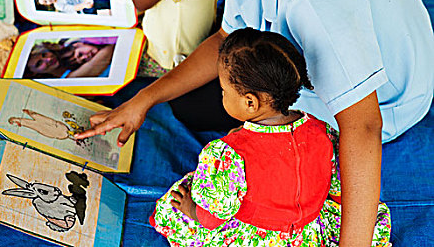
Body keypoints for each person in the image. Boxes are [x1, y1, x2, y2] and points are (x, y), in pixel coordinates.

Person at [78, 0, 434, 245]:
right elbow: (224, 38)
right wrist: (144, 100)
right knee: (192, 101)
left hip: (389, 98)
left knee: (212, 108)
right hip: (366, 36)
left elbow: (364, 124)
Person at [151, 28, 392, 246]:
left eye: (224, 90)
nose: (221, 95)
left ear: (250, 102)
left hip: (258, 237)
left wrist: (191, 210)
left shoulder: (225, 155)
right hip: (310, 232)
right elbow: (339, 186)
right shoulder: (323, 130)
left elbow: (212, 217)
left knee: (172, 208)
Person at [24, 37, 116, 79]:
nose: (48, 59)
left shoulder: (68, 50)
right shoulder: (67, 79)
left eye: (44, 54)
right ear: (34, 73)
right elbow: (106, 55)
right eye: (39, 63)